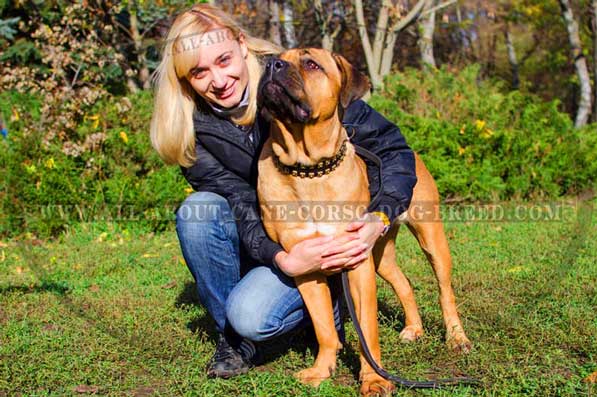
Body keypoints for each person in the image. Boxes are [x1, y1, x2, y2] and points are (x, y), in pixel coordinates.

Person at [150, 4, 416, 379]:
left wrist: (380, 215)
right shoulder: (192, 129)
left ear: (242, 44)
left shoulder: (300, 78)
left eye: (223, 59)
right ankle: (236, 337)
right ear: (186, 81)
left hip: (303, 233)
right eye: (199, 72)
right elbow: (240, 205)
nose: (218, 78)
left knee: (259, 311)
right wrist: (283, 258)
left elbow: (394, 151)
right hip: (267, 244)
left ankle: (334, 320)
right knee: (200, 212)